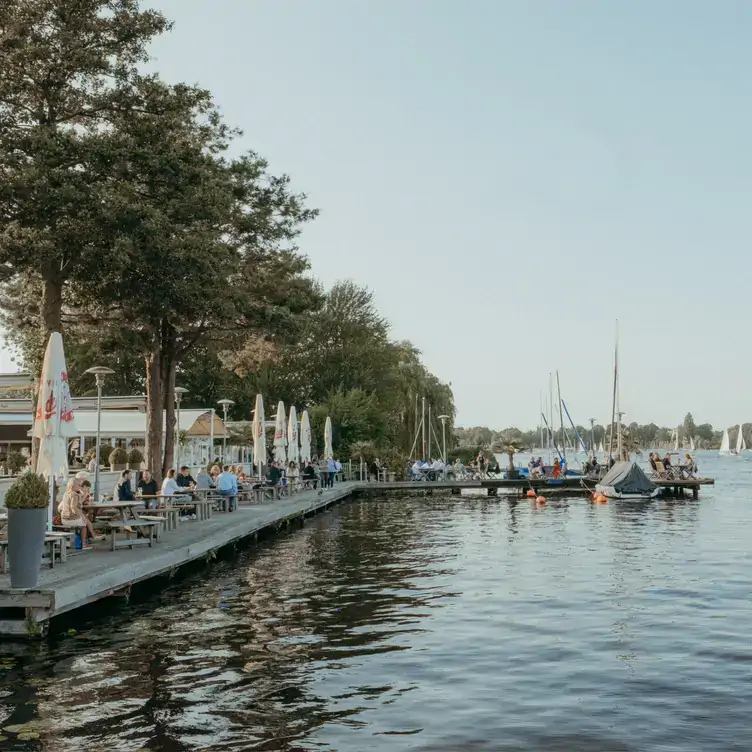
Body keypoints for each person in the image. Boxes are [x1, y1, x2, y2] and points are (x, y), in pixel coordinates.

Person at [59, 477, 100, 548]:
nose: (80, 487)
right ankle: (84, 544)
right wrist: (80, 516)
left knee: (84, 520)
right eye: (79, 485)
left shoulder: (66, 494)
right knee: (84, 524)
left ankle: (91, 536)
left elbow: (75, 505)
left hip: (64, 518)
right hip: (70, 519)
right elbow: (73, 507)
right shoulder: (74, 495)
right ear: (73, 485)